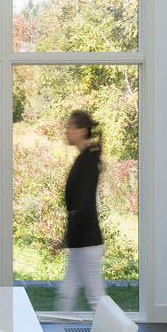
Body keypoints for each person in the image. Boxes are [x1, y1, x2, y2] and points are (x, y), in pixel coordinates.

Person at [54, 107, 104, 311]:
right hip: (81, 240)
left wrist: (67, 237)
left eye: (70, 128)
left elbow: (83, 206)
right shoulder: (84, 158)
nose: (66, 132)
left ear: (82, 130)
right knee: (67, 292)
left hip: (87, 240)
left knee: (96, 299)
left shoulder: (88, 161)